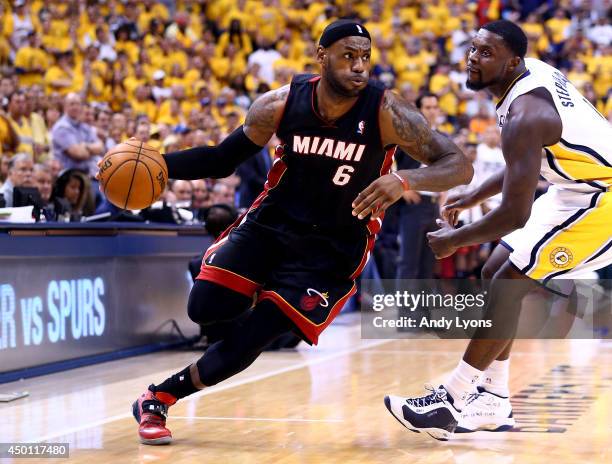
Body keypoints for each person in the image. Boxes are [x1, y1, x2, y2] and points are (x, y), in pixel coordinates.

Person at [113, 20, 472, 445]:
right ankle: (263, 303)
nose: (359, 66)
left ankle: (158, 397)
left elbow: (458, 163)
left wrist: (405, 180)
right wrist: (156, 163)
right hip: (271, 225)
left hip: (333, 247)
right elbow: (223, 158)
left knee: (254, 335)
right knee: (205, 308)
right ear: (322, 57)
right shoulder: (280, 105)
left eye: (365, 57)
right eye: (348, 56)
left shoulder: (387, 112)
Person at [385, 20, 612, 440]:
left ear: (512, 63)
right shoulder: (526, 83)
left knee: (509, 280)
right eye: (474, 48)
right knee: (494, 270)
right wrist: (471, 197)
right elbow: (522, 160)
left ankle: (451, 398)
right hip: (575, 187)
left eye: (486, 53)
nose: (473, 57)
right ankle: (494, 399)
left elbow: (514, 214)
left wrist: (454, 240)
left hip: (603, 199)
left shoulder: (526, 112)